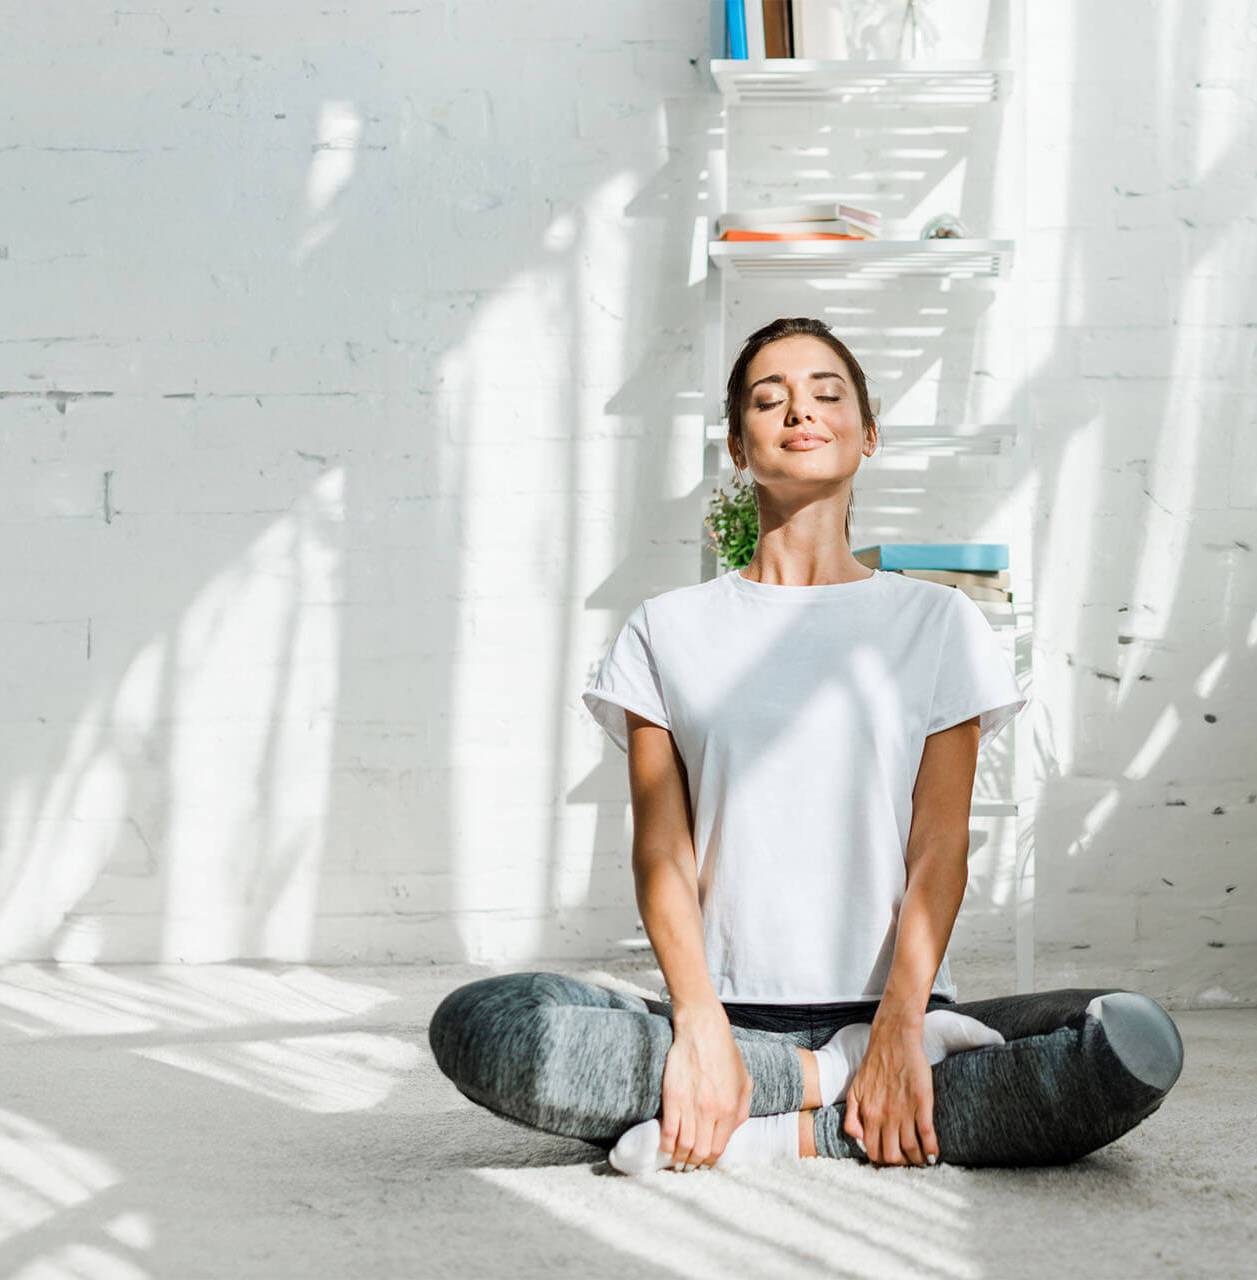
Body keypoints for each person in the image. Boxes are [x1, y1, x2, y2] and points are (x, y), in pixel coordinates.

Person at [427, 317, 1183, 1173]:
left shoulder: (938, 622)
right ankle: (833, 1084)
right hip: (726, 1010)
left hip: (903, 1006)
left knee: (1131, 1043)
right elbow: (662, 854)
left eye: (828, 393)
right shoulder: (666, 629)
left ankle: (776, 1120)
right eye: (768, 398)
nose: (800, 410)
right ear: (737, 446)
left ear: (867, 434)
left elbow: (939, 847)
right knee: (483, 1026)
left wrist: (898, 1023)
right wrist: (700, 1024)